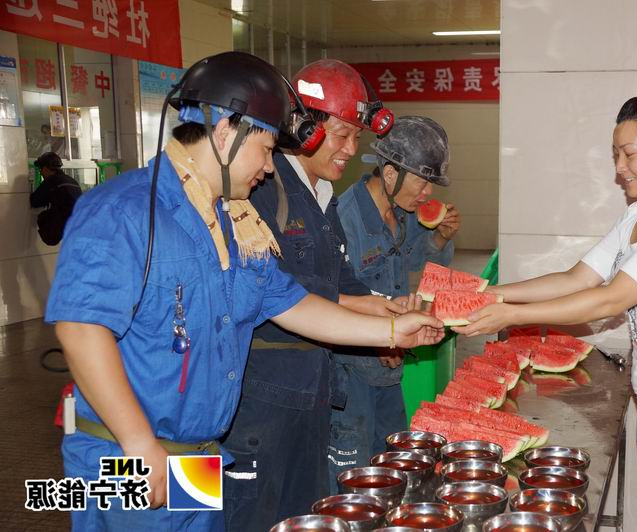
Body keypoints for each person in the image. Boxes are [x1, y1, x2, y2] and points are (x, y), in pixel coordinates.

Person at [45, 52, 442, 532]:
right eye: (266, 148)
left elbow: (295, 304)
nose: (271, 169)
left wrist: (396, 329)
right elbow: (81, 328)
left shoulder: (235, 226)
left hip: (200, 455)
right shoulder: (123, 211)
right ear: (226, 133)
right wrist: (137, 443)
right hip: (123, 457)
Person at [454, 96, 637, 531]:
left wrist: (510, 316)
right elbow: (576, 278)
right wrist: (492, 294)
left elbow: (609, 299)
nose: (620, 168)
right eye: (616, 155)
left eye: (629, 155)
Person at [221, 58, 406, 530]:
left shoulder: (320, 194)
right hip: (261, 401)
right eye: (342, 134)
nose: (351, 149)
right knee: (251, 517)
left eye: (357, 137)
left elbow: (340, 281)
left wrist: (389, 310)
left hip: (310, 391)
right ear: (303, 127)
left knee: (302, 513)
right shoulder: (262, 190)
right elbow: (288, 296)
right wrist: (381, 328)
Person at [330, 116, 460, 484]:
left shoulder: (404, 216)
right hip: (351, 377)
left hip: (390, 372)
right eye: (422, 182)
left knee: (394, 474)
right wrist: (379, 338)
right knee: (352, 486)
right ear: (390, 175)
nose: (428, 195)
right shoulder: (344, 220)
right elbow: (332, 301)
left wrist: (438, 239)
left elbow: (418, 272)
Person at [30, 151, 82, 245]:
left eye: (40, 169)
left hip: (62, 223)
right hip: (78, 222)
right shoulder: (72, 181)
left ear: (45, 168)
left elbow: (35, 201)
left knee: (43, 217)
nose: (41, 173)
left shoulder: (51, 181)